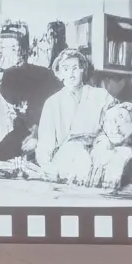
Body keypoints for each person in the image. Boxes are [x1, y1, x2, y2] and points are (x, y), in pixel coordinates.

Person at [34, 46, 108, 175]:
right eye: (66, 69)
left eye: (75, 68)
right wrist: (48, 167)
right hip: (65, 163)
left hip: (97, 160)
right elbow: (45, 144)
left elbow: (111, 131)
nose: (71, 73)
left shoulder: (101, 96)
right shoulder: (52, 103)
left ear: (82, 70)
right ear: (59, 73)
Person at [0, 23, 58, 158]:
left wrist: (36, 133)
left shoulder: (42, 75)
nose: (6, 52)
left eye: (13, 47)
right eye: (3, 47)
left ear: (23, 50)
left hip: (31, 136)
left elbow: (45, 111)